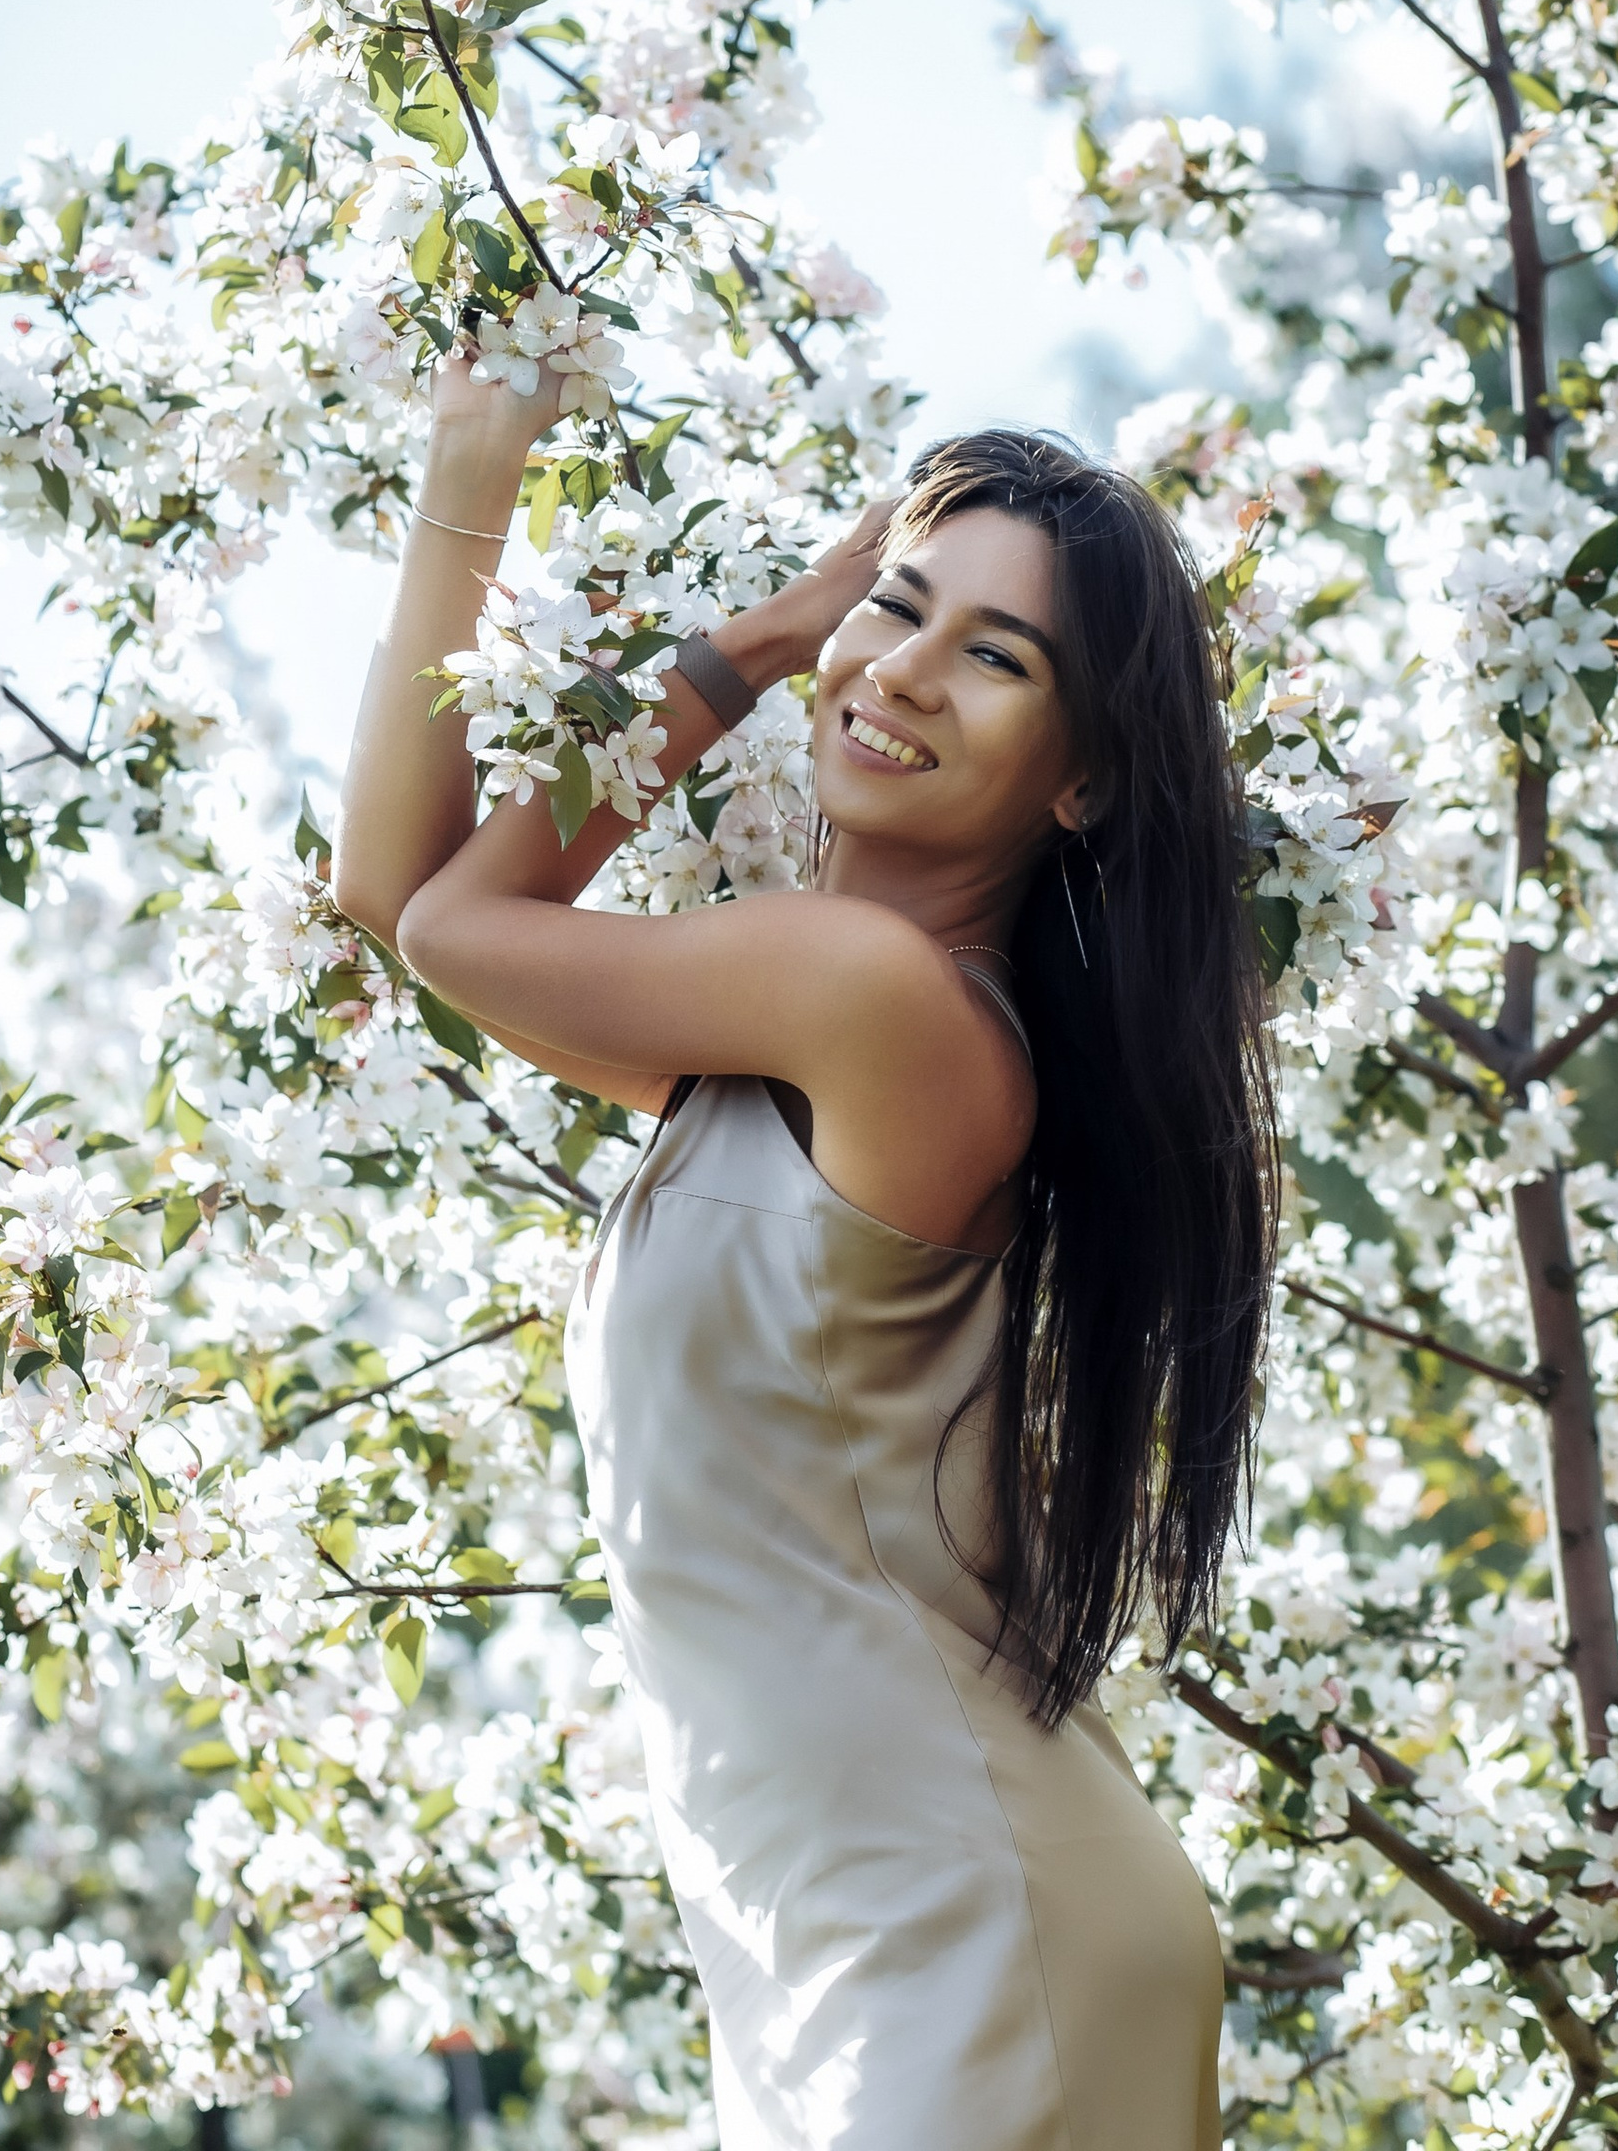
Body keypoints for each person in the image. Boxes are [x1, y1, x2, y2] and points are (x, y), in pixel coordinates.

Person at [335, 355, 1277, 2151]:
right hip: (846, 1941)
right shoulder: (791, 1060)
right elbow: (395, 903)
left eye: (998, 660)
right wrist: (474, 476)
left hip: (973, 1944)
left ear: (1079, 785)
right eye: (898, 608)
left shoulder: (864, 997)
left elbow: (456, 921)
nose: (905, 668)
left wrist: (756, 646)